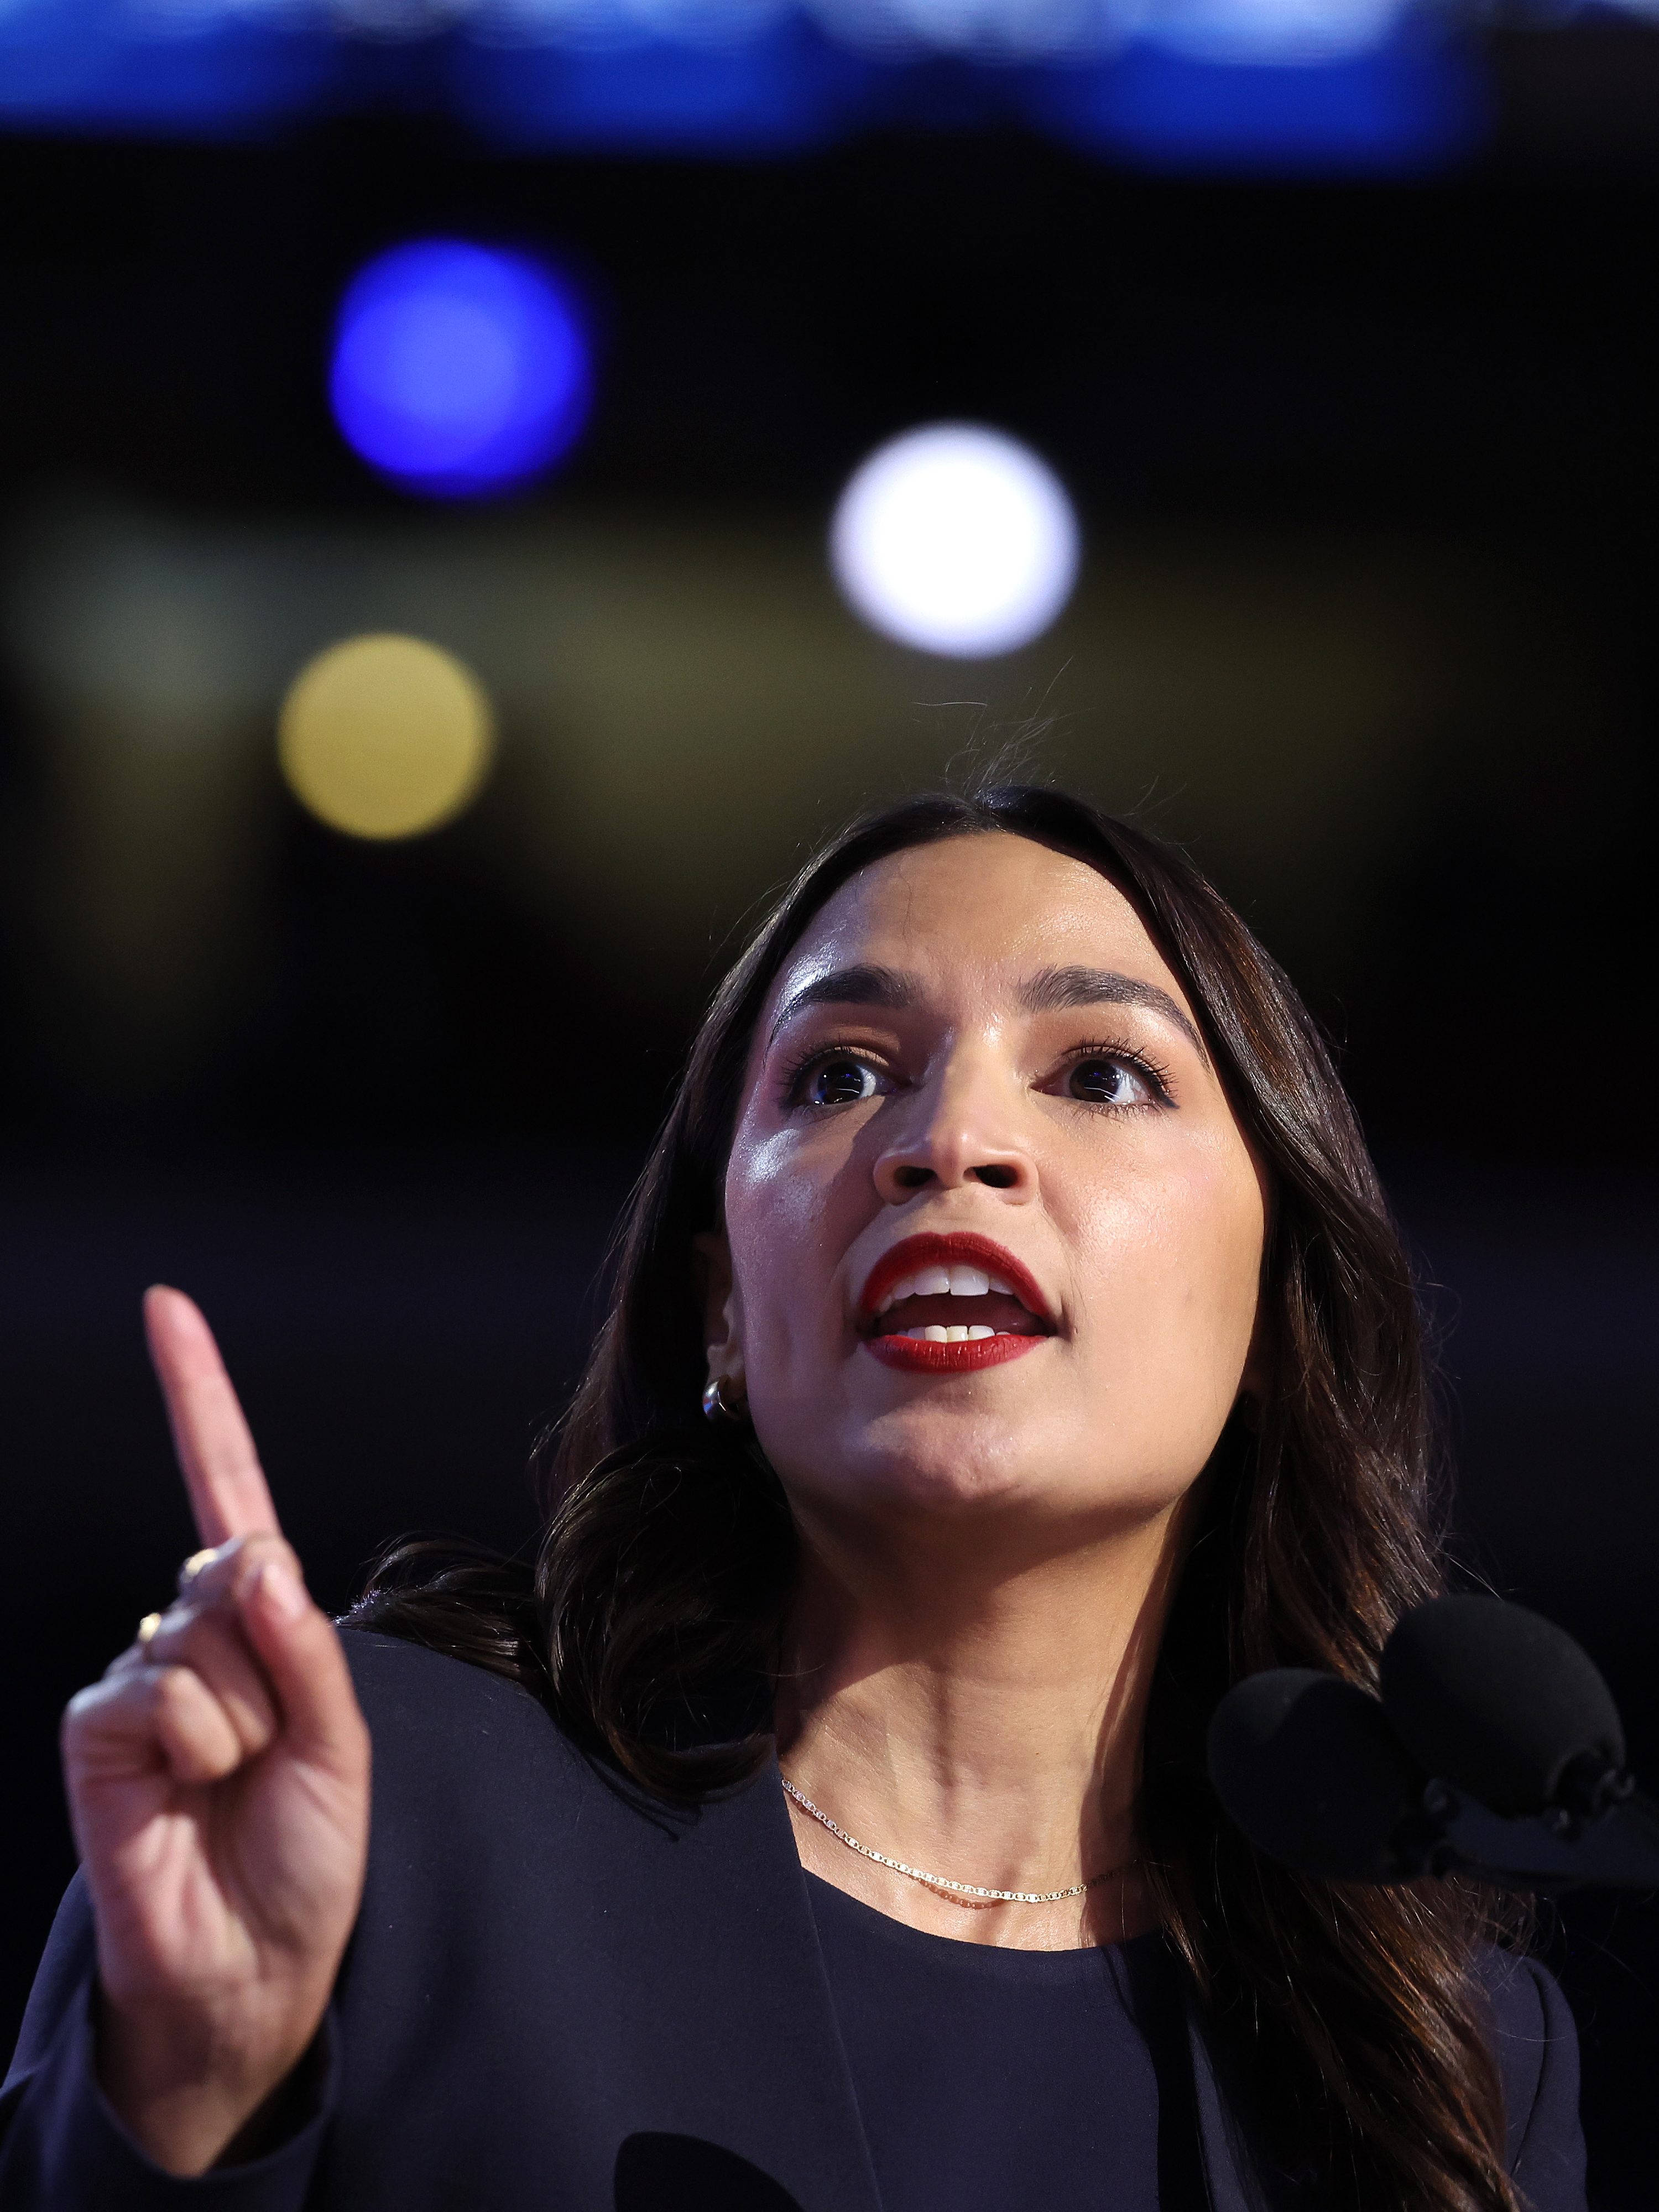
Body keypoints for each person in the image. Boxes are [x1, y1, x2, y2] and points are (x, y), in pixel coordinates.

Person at [1, 784, 1584, 2212]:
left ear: (1271, 1305)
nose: (950, 1142)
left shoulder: (1448, 2062)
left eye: (1098, 1073)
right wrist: (184, 2095)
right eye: (840, 1075)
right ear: (721, 1316)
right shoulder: (383, 1819)